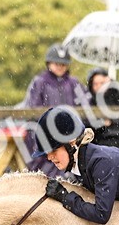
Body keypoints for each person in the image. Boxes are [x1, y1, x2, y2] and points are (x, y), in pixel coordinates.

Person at [25, 45, 87, 174]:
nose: (60, 66)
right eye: (57, 63)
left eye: (63, 64)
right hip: (45, 132)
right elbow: (32, 109)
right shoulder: (40, 82)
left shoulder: (74, 83)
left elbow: (85, 107)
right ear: (49, 63)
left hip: (69, 133)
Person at [86, 68, 119, 150]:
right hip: (103, 143)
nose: (99, 86)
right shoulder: (89, 102)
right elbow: (88, 126)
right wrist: (102, 123)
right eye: (95, 84)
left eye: (102, 83)